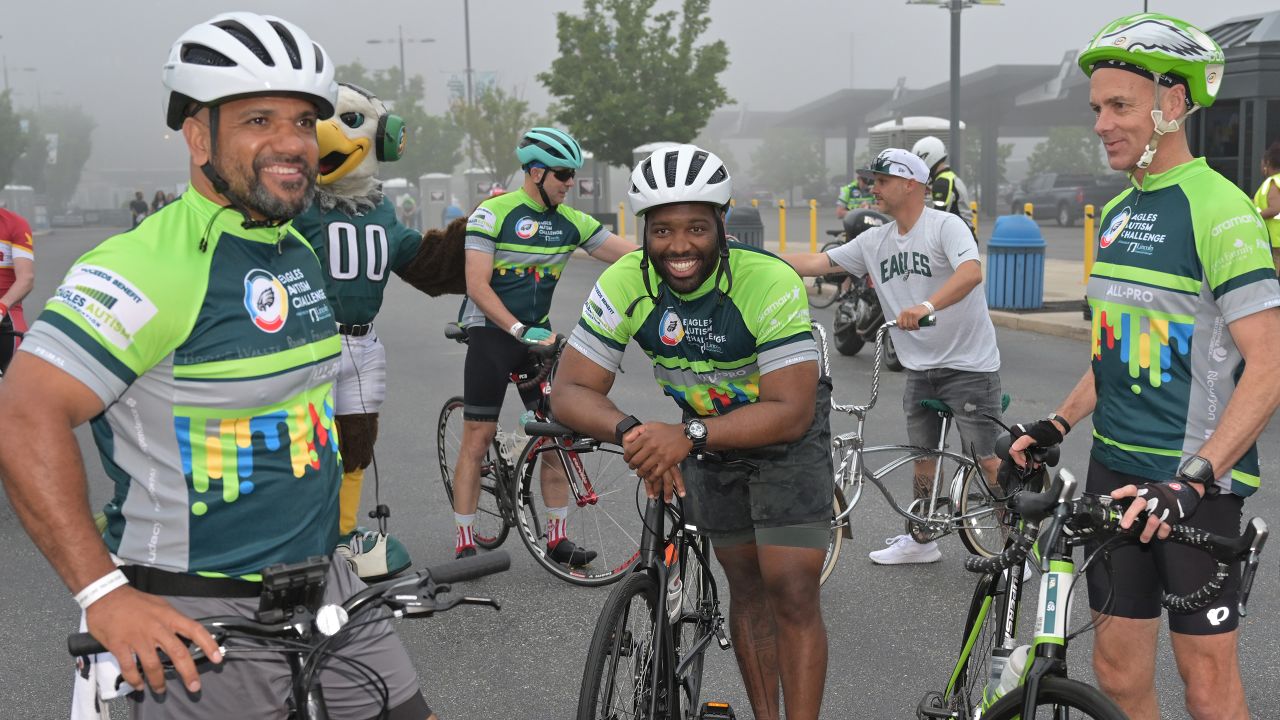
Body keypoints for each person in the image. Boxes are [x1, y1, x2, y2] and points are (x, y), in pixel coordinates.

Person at [0, 12, 434, 718]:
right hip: (193, 610)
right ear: (198, 134)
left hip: (327, 589)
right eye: (258, 120)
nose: (290, 143)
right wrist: (103, 595)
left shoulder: (294, 244)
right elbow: (23, 415)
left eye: (301, 121)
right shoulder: (147, 264)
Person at [1009, 14, 1280, 720]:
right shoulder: (1123, 209)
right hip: (1113, 472)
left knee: (1206, 683)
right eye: (1097, 107)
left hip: (1194, 487)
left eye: (1119, 106)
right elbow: (1117, 348)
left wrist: (1195, 480)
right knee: (1118, 673)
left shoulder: (1220, 211)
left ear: (1173, 104)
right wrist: (1057, 420)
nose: (1101, 123)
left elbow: (1271, 364)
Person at [553, 143, 831, 720]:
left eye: (697, 227)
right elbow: (571, 389)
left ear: (722, 224)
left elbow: (791, 409)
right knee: (746, 583)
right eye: (662, 230)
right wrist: (633, 431)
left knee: (791, 584)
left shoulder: (767, 280)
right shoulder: (626, 282)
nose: (679, 246)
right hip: (706, 436)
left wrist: (689, 436)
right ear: (644, 231)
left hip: (783, 435)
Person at [784, 148, 1002, 565]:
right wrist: (754, 259)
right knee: (922, 459)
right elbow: (820, 261)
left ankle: (1013, 544)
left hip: (970, 367)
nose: (873, 188)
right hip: (921, 369)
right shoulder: (875, 240)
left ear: (910, 184)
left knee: (986, 459)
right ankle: (922, 539)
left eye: (881, 181)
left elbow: (971, 272)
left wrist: (926, 307)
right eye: (872, 180)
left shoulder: (945, 226)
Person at [292, 82, 451, 581]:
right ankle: (300, 536)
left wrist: (473, 241)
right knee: (304, 443)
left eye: (349, 120)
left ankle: (342, 534)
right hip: (304, 345)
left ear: (386, 137)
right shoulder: (296, 205)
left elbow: (419, 260)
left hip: (363, 342)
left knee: (356, 442)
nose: (325, 132)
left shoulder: (381, 210)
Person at [452, 126, 634, 561]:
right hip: (492, 335)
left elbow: (632, 255)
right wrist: (516, 329)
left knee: (557, 435)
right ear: (535, 173)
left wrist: (683, 249)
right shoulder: (492, 214)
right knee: (478, 436)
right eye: (562, 175)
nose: (571, 183)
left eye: (572, 175)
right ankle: (463, 539)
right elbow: (477, 286)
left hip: (540, 339)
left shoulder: (571, 223)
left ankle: (556, 539)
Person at [911, 136, 974, 230]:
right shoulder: (948, 178)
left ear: (929, 157)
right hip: (963, 236)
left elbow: (935, 221)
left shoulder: (942, 184)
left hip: (957, 239)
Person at [0, 204, 34, 373]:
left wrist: (2, 307)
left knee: (19, 372)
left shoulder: (15, 224)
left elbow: (26, 279)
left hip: (7, 315)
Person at [1253, 140, 1280, 273]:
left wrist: (1253, 216)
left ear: (1267, 163)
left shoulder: (1273, 182)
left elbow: (1275, 208)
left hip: (1277, 240)